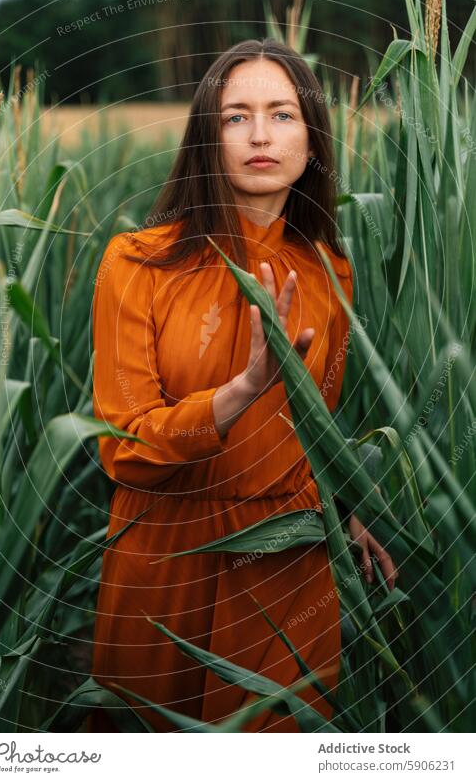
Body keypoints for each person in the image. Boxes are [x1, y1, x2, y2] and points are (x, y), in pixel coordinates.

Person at [87, 38, 397, 733]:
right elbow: (124, 446)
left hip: (289, 560)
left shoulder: (326, 270)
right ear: (207, 135)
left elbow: (306, 431)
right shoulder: (136, 263)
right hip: (167, 558)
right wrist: (241, 390)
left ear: (311, 134)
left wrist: (332, 508)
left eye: (281, 114)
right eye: (235, 116)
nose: (260, 135)